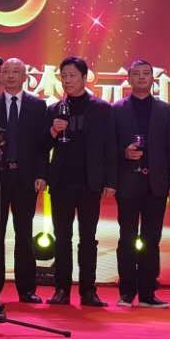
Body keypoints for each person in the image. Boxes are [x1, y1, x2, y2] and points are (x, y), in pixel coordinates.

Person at [111, 59, 170, 308]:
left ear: (153, 79)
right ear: (128, 78)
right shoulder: (116, 109)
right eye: (136, 74)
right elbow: (109, 146)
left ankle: (148, 293)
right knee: (127, 238)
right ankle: (126, 291)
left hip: (156, 184)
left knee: (152, 239)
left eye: (146, 73)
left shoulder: (165, 110)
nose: (141, 77)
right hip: (127, 183)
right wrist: (124, 152)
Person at [46, 56, 117, 307]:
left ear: (84, 78)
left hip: (90, 182)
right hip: (61, 183)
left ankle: (88, 291)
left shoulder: (101, 108)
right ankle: (61, 290)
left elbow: (110, 146)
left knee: (88, 238)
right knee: (62, 237)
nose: (67, 80)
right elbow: (42, 146)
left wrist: (110, 181)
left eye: (72, 75)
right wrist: (53, 131)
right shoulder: (54, 109)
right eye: (63, 76)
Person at [0, 57, 50, 304]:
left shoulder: (38, 106)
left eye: (15, 72)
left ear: (24, 77)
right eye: (6, 71)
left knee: (24, 233)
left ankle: (26, 289)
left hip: (25, 178)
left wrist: (41, 174)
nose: (10, 76)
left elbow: (42, 145)